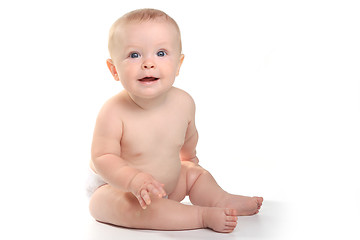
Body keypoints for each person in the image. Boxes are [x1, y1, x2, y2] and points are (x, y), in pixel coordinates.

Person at [87, 8, 263, 233]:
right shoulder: (113, 112)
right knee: (126, 206)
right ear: (114, 70)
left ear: (179, 64)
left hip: (167, 185)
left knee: (195, 174)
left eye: (161, 53)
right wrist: (133, 180)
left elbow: (189, 139)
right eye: (134, 55)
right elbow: (103, 157)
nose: (149, 63)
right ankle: (199, 216)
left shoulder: (184, 102)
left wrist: (190, 161)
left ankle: (221, 199)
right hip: (119, 189)